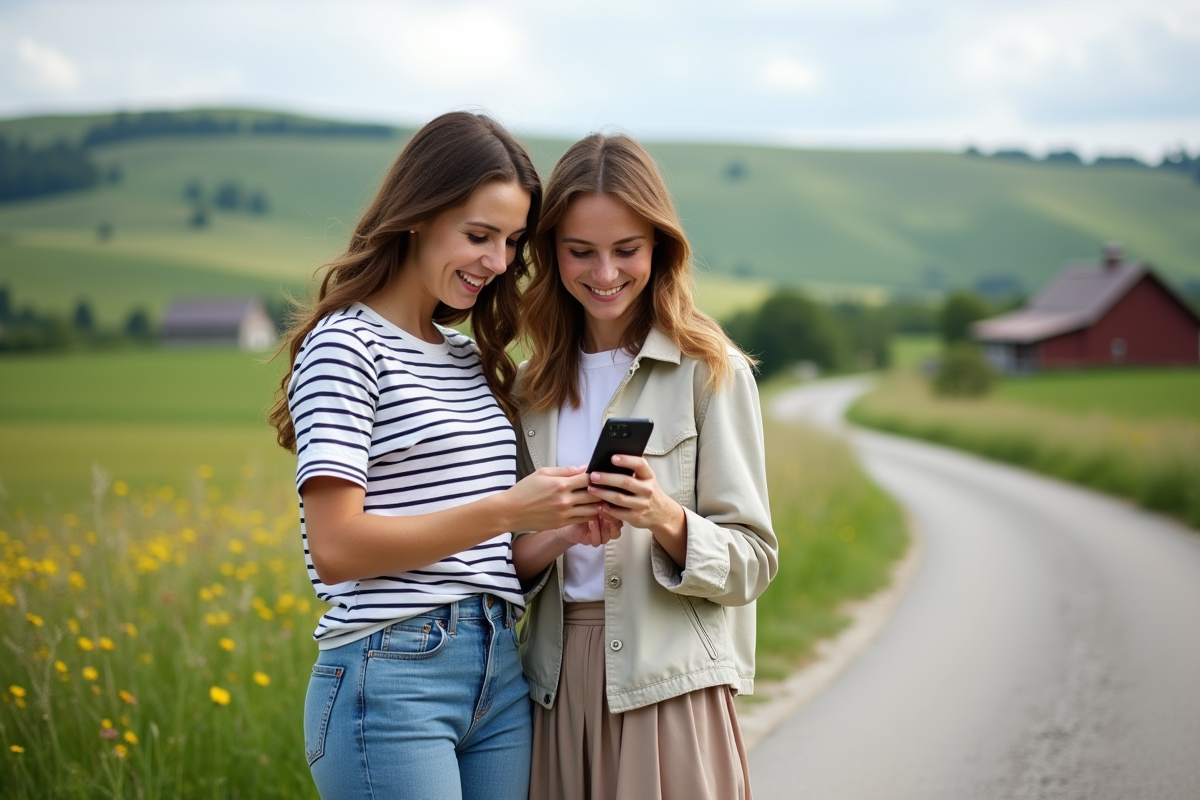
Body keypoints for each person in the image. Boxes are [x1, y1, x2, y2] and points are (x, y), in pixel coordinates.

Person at [267, 112, 600, 800]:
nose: (498, 262)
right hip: (392, 673)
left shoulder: (469, 359)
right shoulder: (345, 346)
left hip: (498, 666)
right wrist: (508, 508)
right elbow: (337, 547)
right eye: (478, 235)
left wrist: (562, 530)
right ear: (417, 216)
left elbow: (478, 554)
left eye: (510, 241)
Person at [512, 132, 778, 800]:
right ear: (550, 252)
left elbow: (753, 562)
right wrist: (560, 532)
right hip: (555, 688)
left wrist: (664, 516)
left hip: (673, 691)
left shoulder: (710, 371)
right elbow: (501, 563)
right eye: (581, 252)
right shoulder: (527, 390)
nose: (605, 273)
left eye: (626, 250)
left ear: (660, 247)